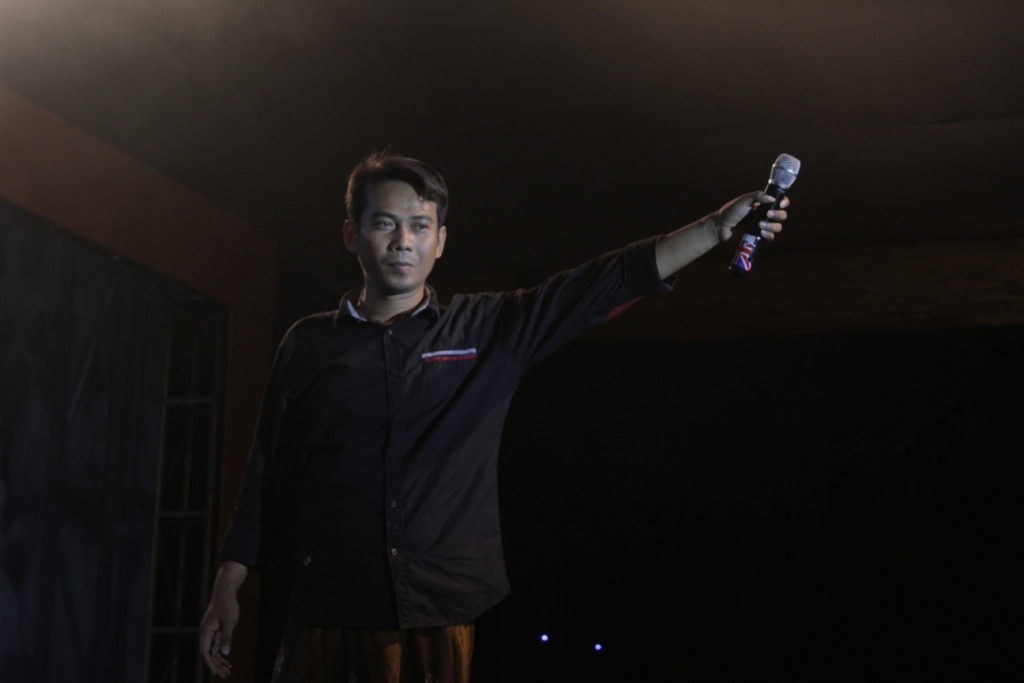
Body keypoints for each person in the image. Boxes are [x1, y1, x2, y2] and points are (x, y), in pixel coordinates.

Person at [199, 152, 789, 681]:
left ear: (441, 241)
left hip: (440, 607)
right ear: (353, 234)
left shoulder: (485, 329)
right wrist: (229, 581)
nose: (403, 241)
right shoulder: (308, 344)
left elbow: (600, 284)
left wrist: (716, 229)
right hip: (331, 605)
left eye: (419, 226)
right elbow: (266, 472)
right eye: (384, 223)